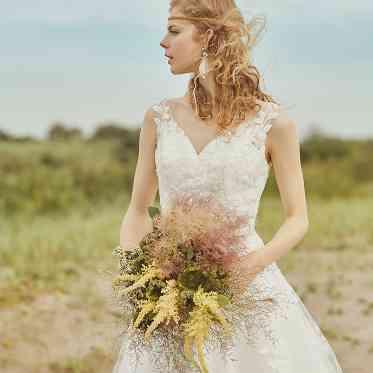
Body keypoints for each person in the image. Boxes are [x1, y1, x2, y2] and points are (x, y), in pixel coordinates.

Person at [112, 0, 344, 372]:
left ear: (208, 36)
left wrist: (249, 267)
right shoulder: (158, 118)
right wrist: (137, 278)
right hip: (169, 287)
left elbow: (297, 218)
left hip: (247, 285)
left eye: (174, 30)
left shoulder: (274, 125)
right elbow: (139, 211)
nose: (161, 42)